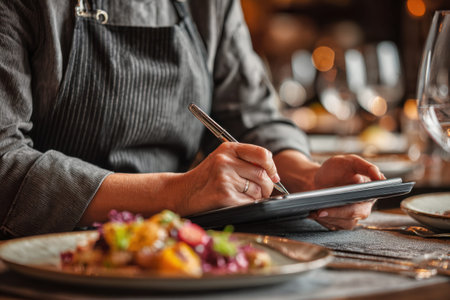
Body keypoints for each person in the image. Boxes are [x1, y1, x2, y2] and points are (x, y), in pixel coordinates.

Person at [0, 0, 385, 239]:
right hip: (45, 251)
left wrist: (309, 180)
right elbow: (4, 160)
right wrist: (180, 193)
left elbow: (253, 117)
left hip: (178, 247)